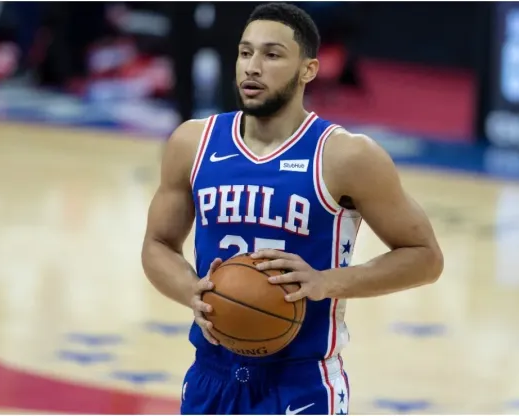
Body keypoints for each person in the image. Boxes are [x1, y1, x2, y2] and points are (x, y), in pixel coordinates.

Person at [141, 3, 444, 415]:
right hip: (210, 375)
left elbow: (425, 258)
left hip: (301, 385)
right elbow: (158, 244)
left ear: (309, 69)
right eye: (245, 52)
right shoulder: (193, 143)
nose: (252, 67)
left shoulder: (346, 156)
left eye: (272, 54)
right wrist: (190, 292)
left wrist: (326, 282)